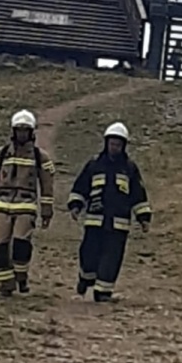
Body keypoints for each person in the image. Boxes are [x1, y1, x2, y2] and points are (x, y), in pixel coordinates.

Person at [68, 122, 151, 303]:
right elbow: (81, 186)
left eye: (118, 145)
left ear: (124, 146)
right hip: (95, 222)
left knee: (112, 258)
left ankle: (103, 292)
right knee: (88, 254)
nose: (114, 148)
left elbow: (138, 194)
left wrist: (143, 218)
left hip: (119, 224)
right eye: (112, 144)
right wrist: (76, 205)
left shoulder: (129, 169)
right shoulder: (94, 165)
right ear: (106, 143)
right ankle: (85, 280)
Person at [0, 109, 55, 296]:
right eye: (19, 130)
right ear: (13, 131)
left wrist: (47, 212)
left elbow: (47, 186)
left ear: (31, 132)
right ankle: (5, 284)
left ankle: (21, 277)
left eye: (25, 130)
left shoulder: (40, 157)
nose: (22, 134)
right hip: (2, 206)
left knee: (21, 244)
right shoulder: (2, 153)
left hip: (26, 207)